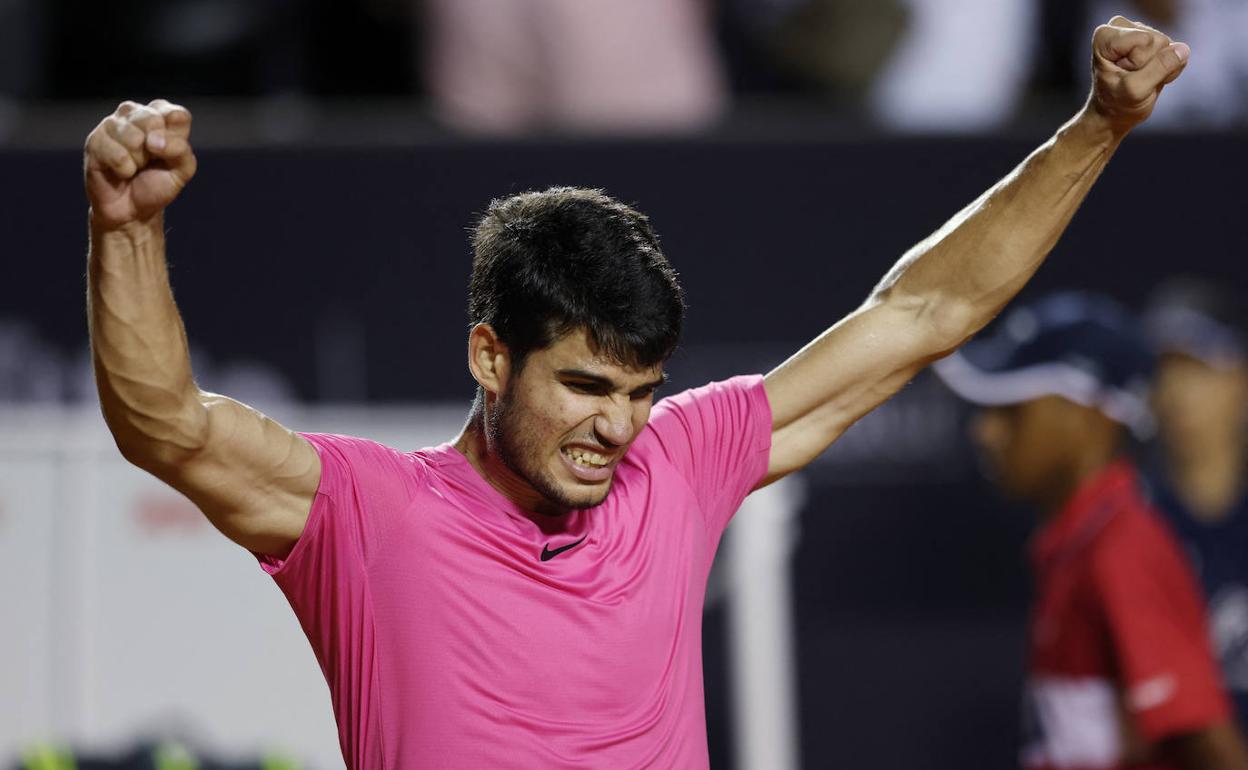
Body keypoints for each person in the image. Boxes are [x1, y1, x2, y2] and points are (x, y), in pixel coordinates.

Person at [83, 17, 1189, 770]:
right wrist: (127, 228)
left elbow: (921, 313)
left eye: (638, 390)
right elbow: (165, 422)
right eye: (582, 384)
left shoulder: (680, 457)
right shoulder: (368, 514)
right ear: (487, 355)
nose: (615, 425)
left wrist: (1096, 127)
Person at [934, 292, 1248, 770]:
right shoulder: (1085, 541)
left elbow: (1208, 743)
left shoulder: (1121, 549)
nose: (986, 432)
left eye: (1012, 410)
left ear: (1083, 414)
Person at [1144, 279, 1248, 728]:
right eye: (1164, 371)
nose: (1177, 392)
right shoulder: (1132, 528)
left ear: (1241, 380)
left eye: (1198, 368)